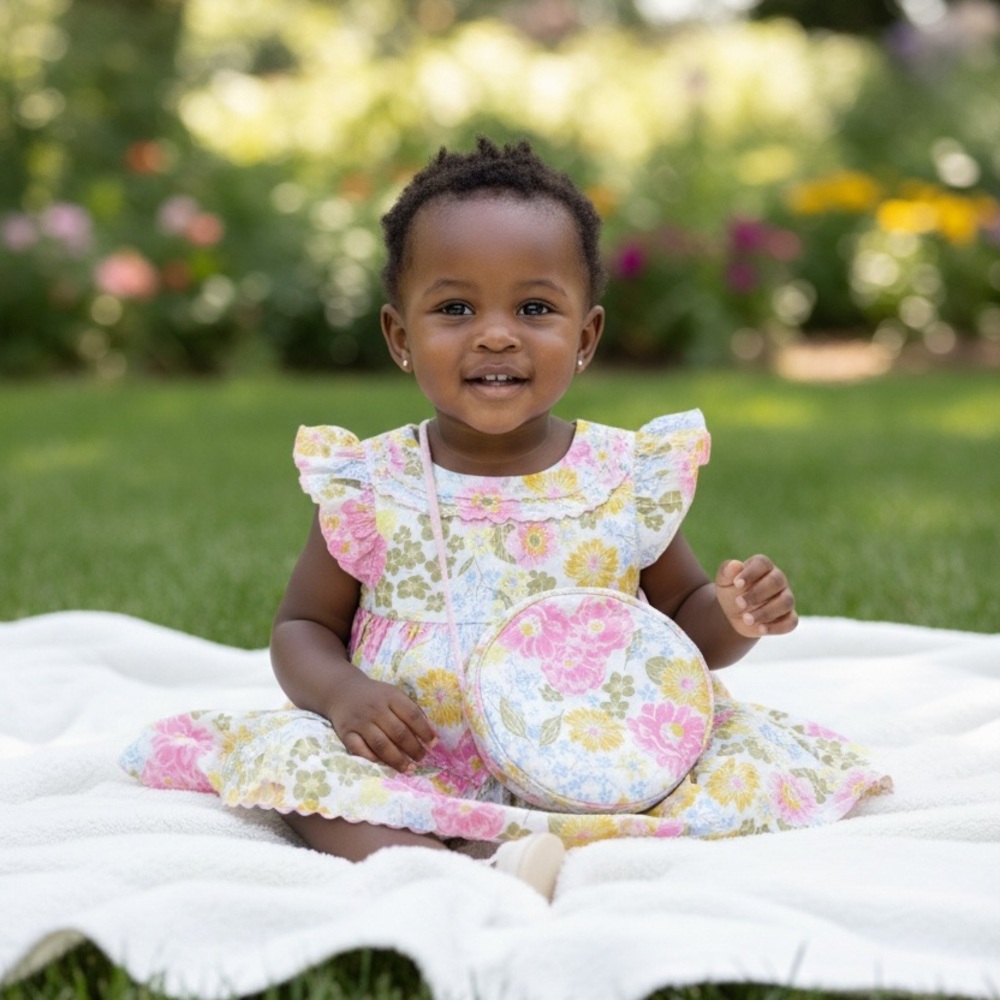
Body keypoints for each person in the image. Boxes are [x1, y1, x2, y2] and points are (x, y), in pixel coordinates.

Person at [121, 138, 890, 901]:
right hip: (416, 752)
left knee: (720, 770)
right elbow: (301, 628)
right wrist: (342, 694)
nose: (496, 333)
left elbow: (687, 629)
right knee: (298, 773)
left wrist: (734, 615)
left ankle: (556, 841)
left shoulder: (620, 478)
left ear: (584, 337)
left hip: (591, 748)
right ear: (400, 336)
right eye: (455, 308)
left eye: (534, 308)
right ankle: (448, 868)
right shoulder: (373, 484)